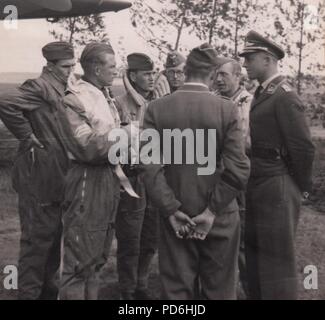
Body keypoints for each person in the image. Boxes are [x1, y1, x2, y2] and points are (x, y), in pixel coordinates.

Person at [140, 43, 250, 299]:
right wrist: (211, 211)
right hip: (220, 216)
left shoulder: (156, 109)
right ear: (212, 75)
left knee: (176, 291)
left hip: (176, 214)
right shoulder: (227, 109)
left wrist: (170, 209)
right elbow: (239, 168)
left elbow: (149, 167)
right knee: (219, 290)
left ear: (185, 71)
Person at [238, 30, 315, 299]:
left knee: (277, 259)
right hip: (260, 182)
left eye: (250, 58)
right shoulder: (262, 93)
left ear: (267, 59)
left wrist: (295, 186)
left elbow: (303, 148)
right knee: (256, 252)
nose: (245, 64)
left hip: (278, 183)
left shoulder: (284, 95)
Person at [0, 41, 75, 300]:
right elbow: (5, 102)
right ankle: (28, 294)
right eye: (66, 66)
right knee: (36, 244)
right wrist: (26, 136)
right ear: (51, 66)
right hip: (37, 178)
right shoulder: (38, 86)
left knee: (53, 240)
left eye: (72, 65)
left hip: (55, 176)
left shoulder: (61, 87)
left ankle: (47, 293)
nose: (70, 70)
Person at [58, 42, 124, 300]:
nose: (116, 70)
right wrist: (124, 136)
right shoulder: (75, 99)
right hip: (87, 180)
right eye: (112, 65)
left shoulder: (104, 96)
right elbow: (87, 148)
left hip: (108, 179)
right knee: (78, 263)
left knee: (97, 259)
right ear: (96, 68)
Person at [114, 53, 169, 300]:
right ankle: (126, 289)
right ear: (132, 75)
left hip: (155, 178)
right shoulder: (119, 104)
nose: (151, 79)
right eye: (146, 74)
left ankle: (142, 284)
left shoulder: (158, 104)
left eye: (152, 74)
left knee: (151, 236)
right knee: (130, 238)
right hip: (132, 179)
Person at [215, 57, 253, 297]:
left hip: (239, 178)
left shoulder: (248, 102)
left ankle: (247, 289)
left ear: (238, 77)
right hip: (215, 178)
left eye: (224, 75)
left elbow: (248, 142)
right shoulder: (214, 100)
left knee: (242, 240)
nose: (218, 79)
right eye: (216, 74)